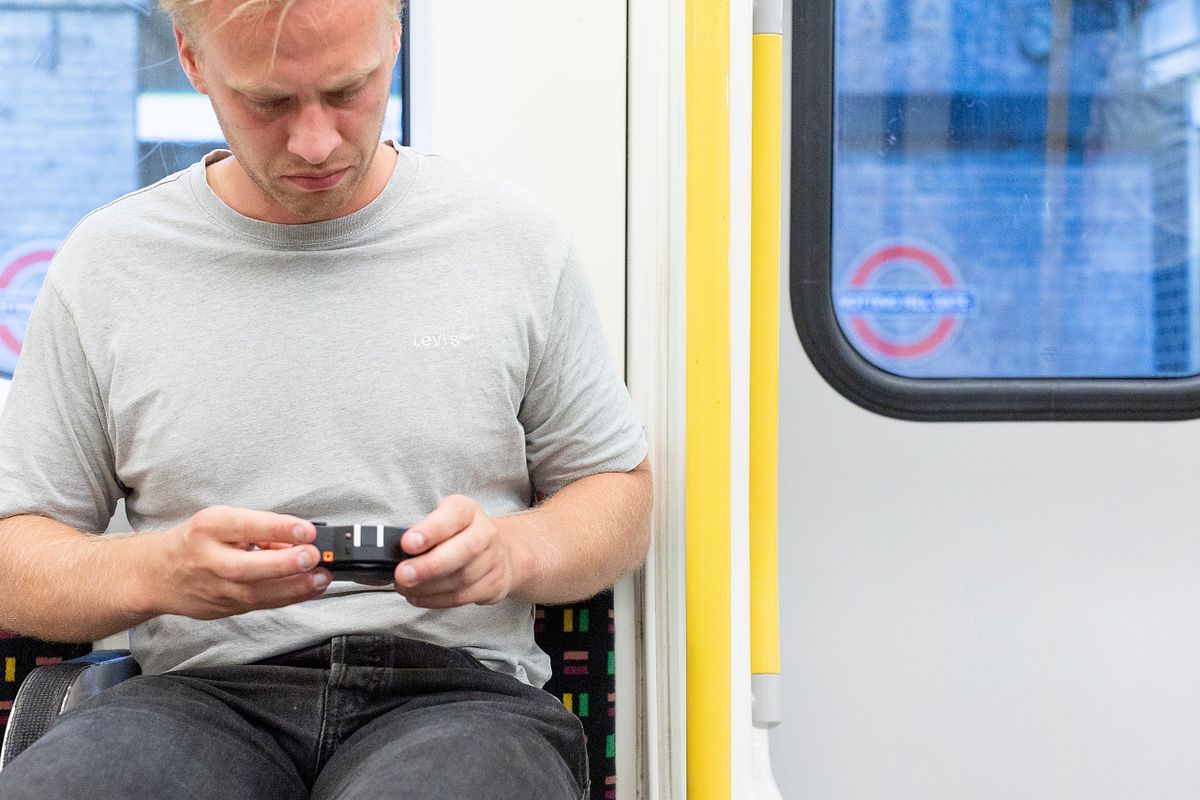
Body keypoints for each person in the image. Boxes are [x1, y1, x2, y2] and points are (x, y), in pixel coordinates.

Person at [0, 0, 651, 796]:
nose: (315, 142)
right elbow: (13, 557)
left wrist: (513, 553)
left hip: (459, 701)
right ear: (194, 59)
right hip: (198, 698)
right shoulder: (108, 267)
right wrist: (158, 574)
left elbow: (619, 499)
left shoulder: (511, 242)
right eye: (267, 101)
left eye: (350, 89)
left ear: (395, 38)